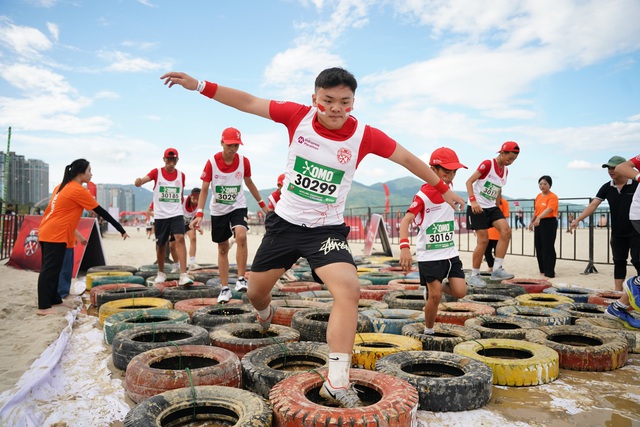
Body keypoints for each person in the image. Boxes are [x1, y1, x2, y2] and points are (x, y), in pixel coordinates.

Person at [161, 67, 465, 408]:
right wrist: (200, 85)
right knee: (257, 294)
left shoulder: (364, 135)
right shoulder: (297, 116)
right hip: (284, 225)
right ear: (315, 99)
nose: (336, 108)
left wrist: (443, 188)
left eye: (345, 102)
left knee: (349, 289)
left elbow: (408, 158)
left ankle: (337, 381)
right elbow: (247, 101)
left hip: (326, 231)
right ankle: (264, 315)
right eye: (328, 101)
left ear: (353, 102)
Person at [37, 159, 129, 316]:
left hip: (48, 231)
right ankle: (44, 307)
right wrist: (120, 228)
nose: (91, 174)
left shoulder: (61, 186)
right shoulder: (77, 190)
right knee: (50, 270)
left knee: (55, 269)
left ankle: (55, 299)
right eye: (89, 170)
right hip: (55, 233)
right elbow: (101, 211)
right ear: (81, 172)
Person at [189, 127, 270, 303]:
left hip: (237, 206)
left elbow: (249, 182)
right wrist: (200, 213)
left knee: (241, 235)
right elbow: (204, 189)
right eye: (230, 145)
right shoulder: (211, 162)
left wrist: (262, 204)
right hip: (218, 210)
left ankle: (241, 278)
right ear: (222, 143)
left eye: (236, 145)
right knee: (223, 248)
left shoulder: (243, 161)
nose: (233, 149)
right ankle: (225, 289)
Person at [399, 147, 468, 335]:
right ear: (433, 170)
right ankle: (428, 330)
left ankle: (434, 287)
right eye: (446, 171)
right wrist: (405, 248)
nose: (450, 176)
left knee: (461, 292)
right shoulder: (422, 196)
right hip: (429, 255)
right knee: (435, 296)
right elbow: (405, 221)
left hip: (450, 253)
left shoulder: (450, 189)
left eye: (454, 172)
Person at [570, 155, 640, 291]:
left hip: (636, 231)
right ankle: (617, 292)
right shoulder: (607, 187)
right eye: (608, 168)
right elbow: (593, 205)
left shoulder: (637, 184)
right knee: (618, 262)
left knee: (638, 262)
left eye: (613, 168)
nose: (610, 171)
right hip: (618, 233)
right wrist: (578, 219)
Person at [134, 148, 193, 286]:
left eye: (173, 159)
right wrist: (139, 181)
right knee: (161, 244)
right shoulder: (157, 172)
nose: (171, 162)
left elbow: (180, 194)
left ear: (177, 160)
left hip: (176, 213)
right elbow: (143, 180)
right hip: (161, 215)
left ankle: (183, 274)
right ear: (164, 159)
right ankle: (161, 272)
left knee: (179, 238)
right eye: (168, 159)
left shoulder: (181, 175)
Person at [465, 142, 519, 287]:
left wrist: (497, 205)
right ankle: (475, 275)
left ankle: (497, 268)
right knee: (483, 240)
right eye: (509, 158)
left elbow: (498, 189)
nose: (511, 161)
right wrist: (473, 201)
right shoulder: (488, 164)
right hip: (477, 206)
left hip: (491, 207)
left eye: (514, 159)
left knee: (506, 231)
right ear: (502, 153)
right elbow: (469, 182)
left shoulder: (506, 171)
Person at [603, 154, 640, 330]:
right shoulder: (608, 186)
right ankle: (631, 288)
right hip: (635, 221)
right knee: (620, 260)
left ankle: (619, 306)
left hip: (632, 228)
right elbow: (622, 167)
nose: (610, 171)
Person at [528, 175, 559, 278]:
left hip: (549, 222)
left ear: (549, 185)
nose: (542, 186)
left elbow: (549, 209)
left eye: (545, 184)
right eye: (540, 184)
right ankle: (542, 269)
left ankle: (550, 271)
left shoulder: (553, 196)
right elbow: (536, 211)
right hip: (539, 222)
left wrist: (539, 218)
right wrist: (532, 221)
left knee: (548, 247)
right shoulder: (538, 196)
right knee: (539, 246)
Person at [57, 230, 87, 299]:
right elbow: (69, 225)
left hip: (66, 241)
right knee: (65, 269)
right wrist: (79, 236)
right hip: (63, 241)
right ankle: (62, 293)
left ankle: (62, 292)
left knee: (66, 268)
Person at [485, 194, 509, 272]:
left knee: (497, 251)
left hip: (498, 233)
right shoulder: (486, 202)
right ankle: (490, 265)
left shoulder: (504, 202)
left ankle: (498, 267)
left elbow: (506, 217)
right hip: (487, 232)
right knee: (486, 251)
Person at [183, 187, 203, 269]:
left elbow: (197, 217)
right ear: (190, 196)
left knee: (193, 238)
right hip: (178, 222)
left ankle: (192, 262)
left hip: (189, 223)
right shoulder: (183, 200)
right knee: (175, 243)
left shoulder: (200, 204)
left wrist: (198, 227)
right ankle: (177, 264)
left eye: (198, 199)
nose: (195, 201)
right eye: (194, 198)